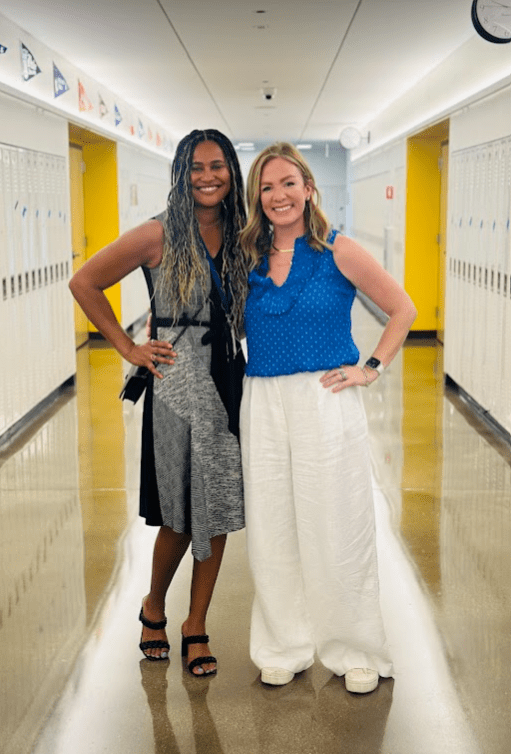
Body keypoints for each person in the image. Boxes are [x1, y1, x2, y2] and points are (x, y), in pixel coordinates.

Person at [239, 142, 417, 692]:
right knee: (271, 526)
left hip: (326, 397)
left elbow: (402, 308)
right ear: (257, 199)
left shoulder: (338, 250)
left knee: (337, 523)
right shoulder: (247, 258)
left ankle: (354, 648)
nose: (279, 195)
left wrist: (371, 367)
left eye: (288, 183)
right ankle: (282, 645)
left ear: (309, 188)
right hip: (264, 401)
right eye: (267, 187)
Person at [69, 129, 248, 675]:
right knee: (178, 509)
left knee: (216, 505)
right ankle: (153, 606)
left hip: (228, 374)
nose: (208, 175)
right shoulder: (158, 234)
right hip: (175, 378)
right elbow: (85, 282)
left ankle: (196, 624)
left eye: (218, 165)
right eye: (196, 166)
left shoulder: (245, 234)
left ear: (232, 172)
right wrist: (128, 347)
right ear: (181, 171)